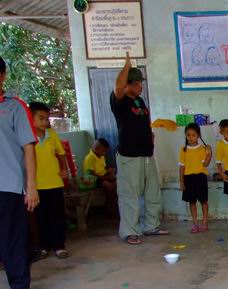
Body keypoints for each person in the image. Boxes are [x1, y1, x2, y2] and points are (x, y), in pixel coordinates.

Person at [111, 52, 169, 245]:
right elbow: (118, 86)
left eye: (140, 83)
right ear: (127, 84)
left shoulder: (139, 101)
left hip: (146, 155)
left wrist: (149, 136)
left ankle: (151, 225)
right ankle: (130, 231)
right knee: (130, 196)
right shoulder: (119, 101)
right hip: (129, 156)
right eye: (136, 83)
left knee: (152, 193)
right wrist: (127, 65)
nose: (140, 86)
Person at [0, 55, 38, 289]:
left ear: (2, 76)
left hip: (9, 184)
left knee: (11, 237)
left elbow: (29, 148)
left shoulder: (14, 108)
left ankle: (19, 287)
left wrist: (31, 186)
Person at [30, 102, 70, 259]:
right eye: (41, 118)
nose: (45, 121)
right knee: (41, 217)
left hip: (55, 182)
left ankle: (59, 246)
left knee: (58, 215)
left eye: (47, 118)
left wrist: (64, 169)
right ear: (31, 118)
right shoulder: (27, 136)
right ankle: (44, 246)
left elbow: (61, 153)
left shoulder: (52, 134)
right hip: (37, 184)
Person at [179, 123, 212, 233]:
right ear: (185, 135)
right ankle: (195, 223)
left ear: (198, 135)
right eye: (188, 135)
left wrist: (210, 153)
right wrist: (181, 181)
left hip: (200, 177)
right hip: (188, 178)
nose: (190, 137)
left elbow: (205, 164)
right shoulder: (183, 150)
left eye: (193, 135)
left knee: (204, 201)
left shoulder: (202, 149)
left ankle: (205, 222)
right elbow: (181, 167)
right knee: (192, 202)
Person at [83, 138, 118, 221]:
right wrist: (106, 178)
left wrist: (108, 170)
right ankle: (110, 212)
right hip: (94, 180)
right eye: (103, 151)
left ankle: (116, 208)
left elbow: (102, 169)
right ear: (97, 149)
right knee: (110, 187)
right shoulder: (89, 158)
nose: (104, 153)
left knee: (118, 182)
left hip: (103, 177)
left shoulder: (100, 156)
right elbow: (91, 174)